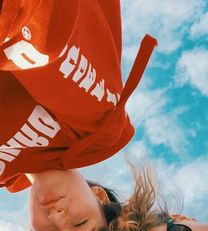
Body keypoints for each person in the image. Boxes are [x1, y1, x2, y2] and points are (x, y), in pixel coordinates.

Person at [0, 1, 157, 192]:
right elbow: (44, 35)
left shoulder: (5, 178)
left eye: (51, 224)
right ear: (99, 196)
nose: (57, 215)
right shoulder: (96, 131)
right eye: (79, 222)